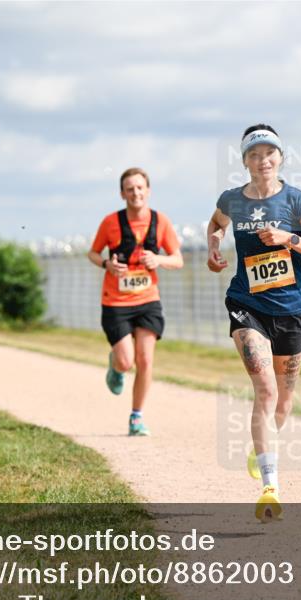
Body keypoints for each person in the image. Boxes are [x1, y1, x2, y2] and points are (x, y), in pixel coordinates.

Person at [206, 124, 301, 522]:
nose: (262, 160)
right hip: (247, 305)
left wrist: (289, 239)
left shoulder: (298, 201)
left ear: (280, 158)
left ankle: (261, 448)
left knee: (283, 401)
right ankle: (270, 486)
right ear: (244, 161)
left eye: (269, 153)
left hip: (292, 309)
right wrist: (214, 249)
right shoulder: (231, 200)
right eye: (254, 154)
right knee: (264, 391)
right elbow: (215, 224)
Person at [87, 167, 183, 436]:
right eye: (129, 189)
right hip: (115, 302)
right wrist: (106, 264)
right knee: (126, 361)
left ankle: (136, 416)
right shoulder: (110, 222)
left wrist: (158, 259)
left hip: (147, 300)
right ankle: (116, 366)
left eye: (140, 188)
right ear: (122, 194)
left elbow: (178, 259)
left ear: (148, 191)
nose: (135, 193)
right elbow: (92, 253)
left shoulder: (161, 222)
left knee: (145, 359)